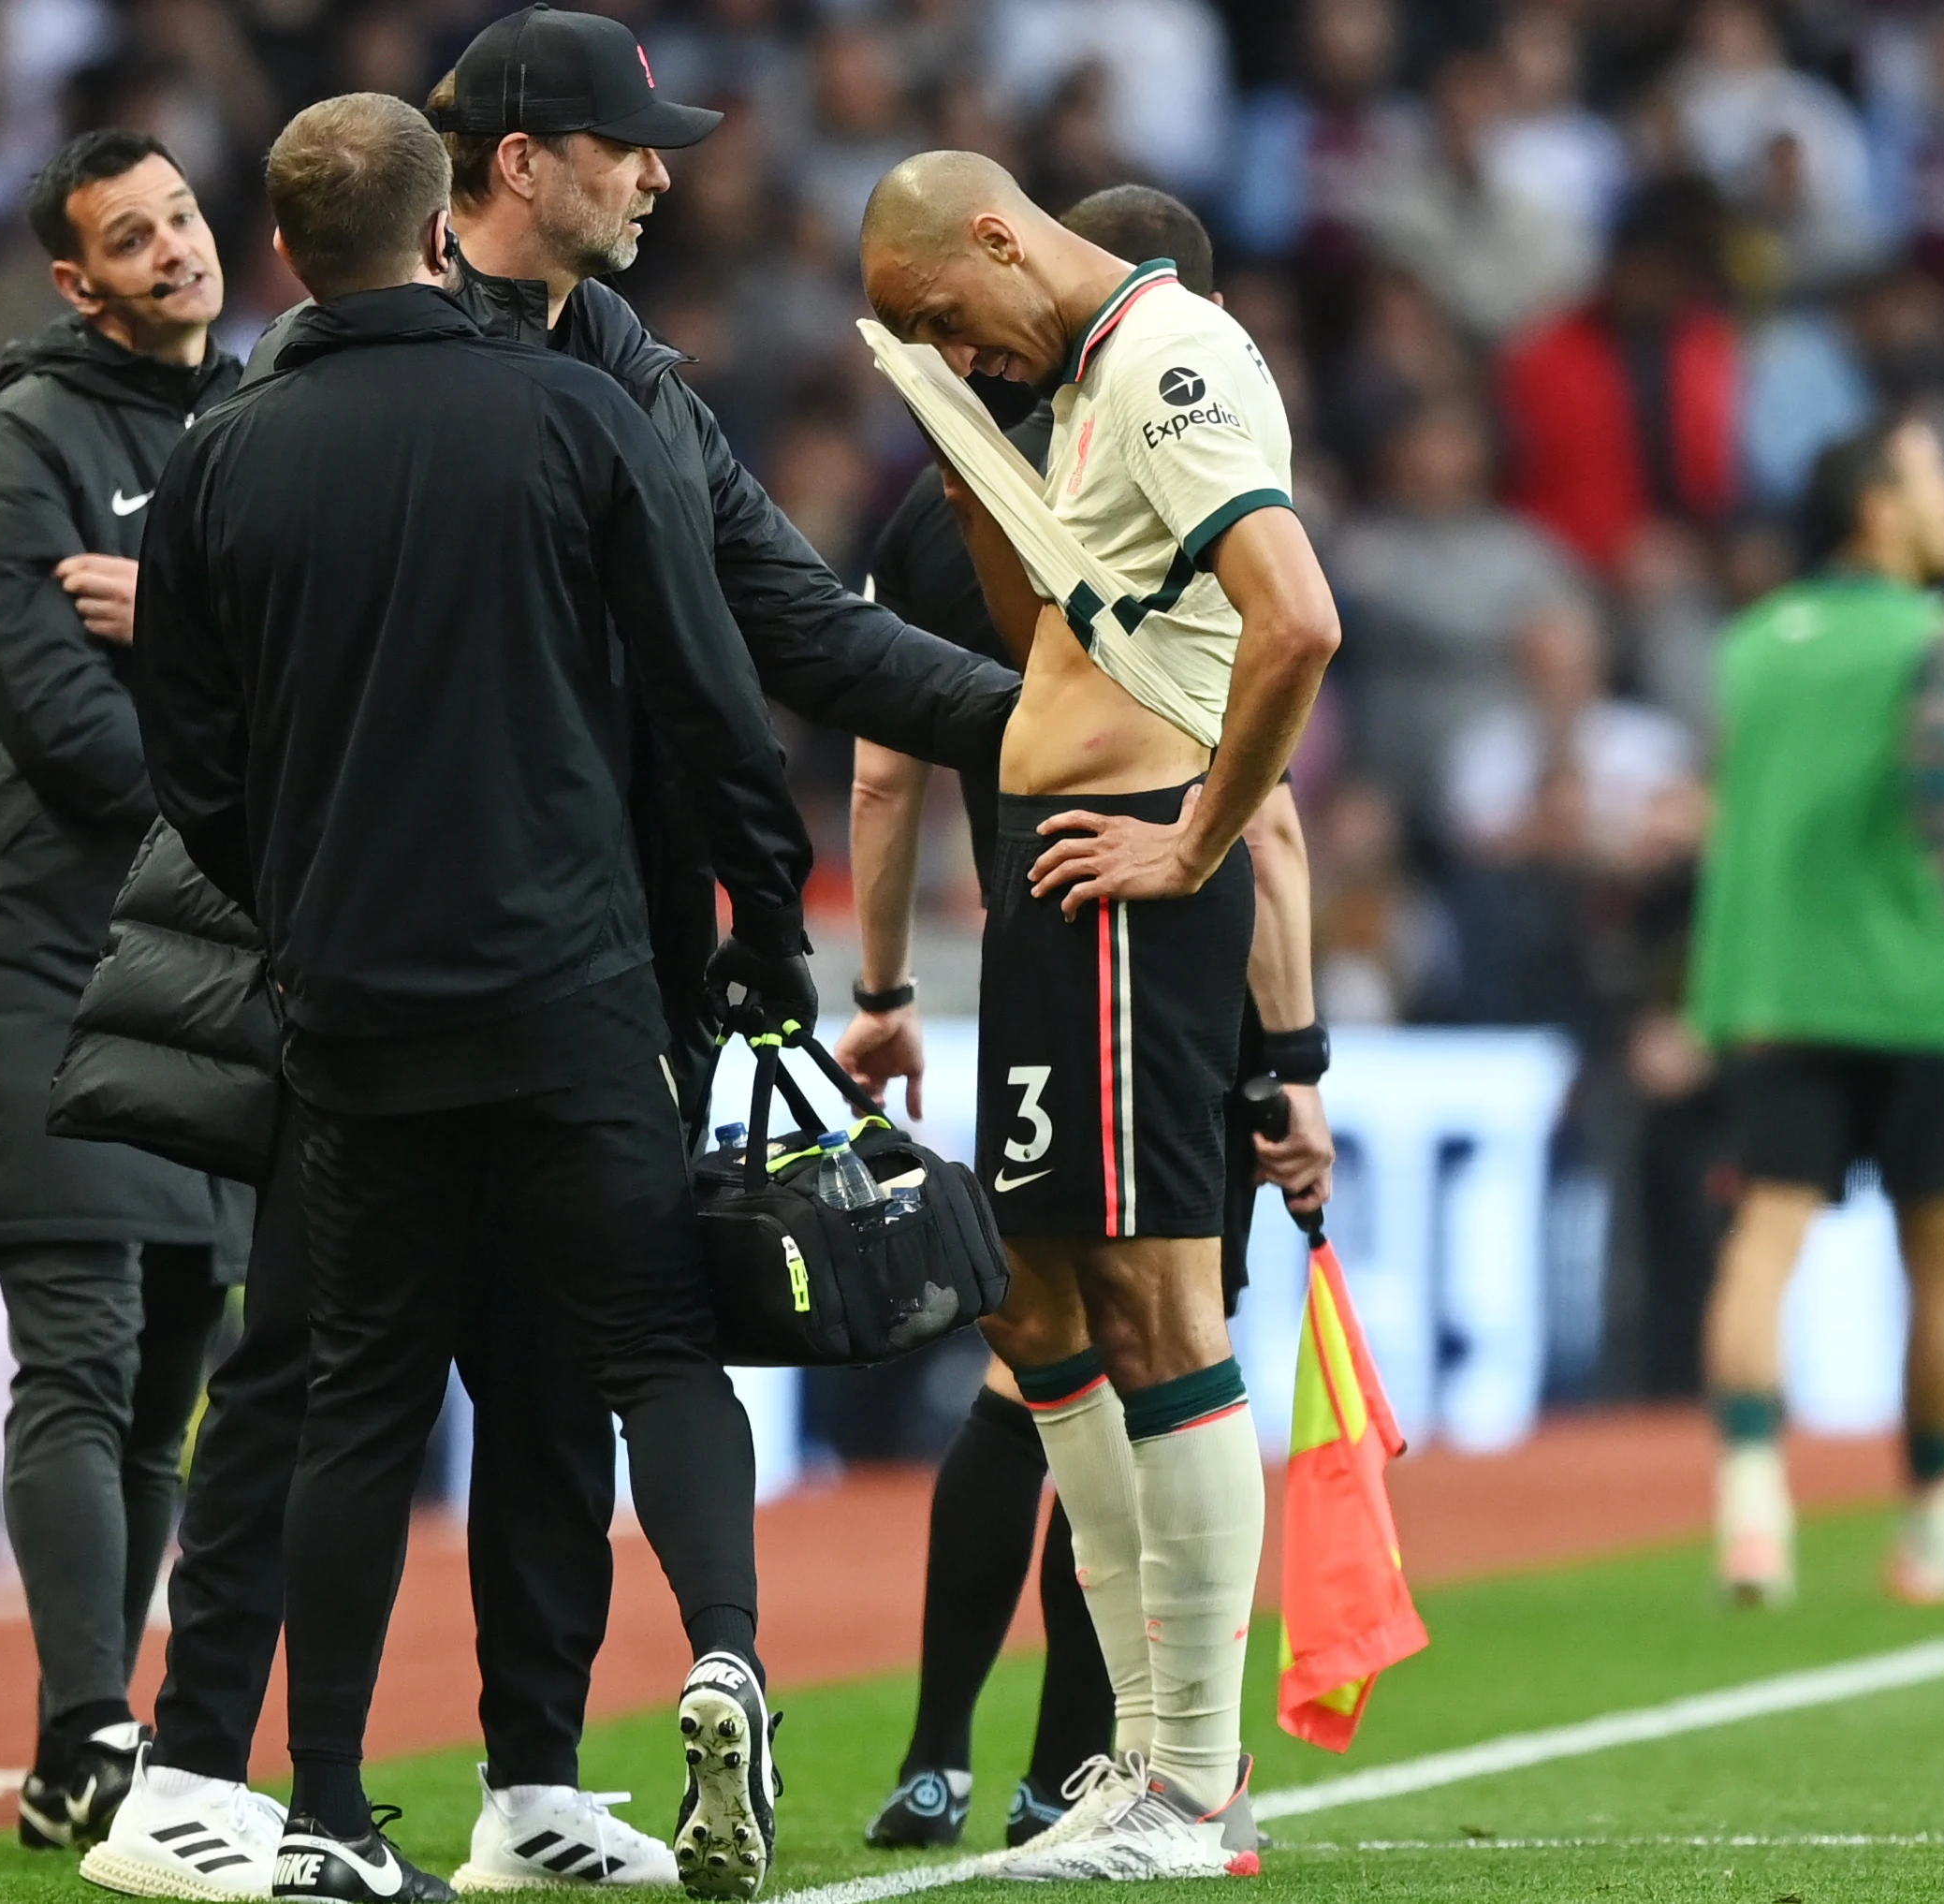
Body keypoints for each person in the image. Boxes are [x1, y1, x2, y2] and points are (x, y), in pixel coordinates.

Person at [91, 12, 1017, 1897]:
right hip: (561, 980)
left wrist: (1037, 714)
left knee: (452, 1384)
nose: (661, 172)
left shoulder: (277, 435)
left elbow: (186, 750)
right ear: (497, 174)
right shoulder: (591, 414)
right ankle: (197, 1773)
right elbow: (719, 693)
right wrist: (760, 927)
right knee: (425, 1366)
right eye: (627, 144)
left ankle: (492, 1786)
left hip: (363, 983)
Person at [859, 151, 1343, 1881]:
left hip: (1136, 892)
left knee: (1158, 1309)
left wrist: (1193, 835)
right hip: (1060, 890)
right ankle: (1138, 1756)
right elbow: (1050, 645)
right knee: (1045, 1306)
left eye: (944, 316)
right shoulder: (1070, 392)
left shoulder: (1169, 356)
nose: (954, 347)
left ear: (996, 239)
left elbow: (1299, 619)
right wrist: (975, 458)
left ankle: (1197, 1786)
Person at [0, 125, 252, 1851]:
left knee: (173, 1361)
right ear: (76, 281)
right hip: (50, 954)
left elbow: (339, 655)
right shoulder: (15, 454)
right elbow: (70, 739)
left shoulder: (260, 417)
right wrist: (261, 731)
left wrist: (192, 618)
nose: (177, 251)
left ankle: (99, 1734)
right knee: (84, 1341)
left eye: (184, 217)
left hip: (217, 960)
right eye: (134, 238)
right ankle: (84, 1719)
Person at [1687, 415, 1944, 1609]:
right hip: (1913, 987)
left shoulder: (1748, 645)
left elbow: (1748, 816)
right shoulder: (1940, 635)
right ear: (1879, 509)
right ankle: (1936, 1526)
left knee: (1763, 1243)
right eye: (1940, 475)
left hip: (1776, 989)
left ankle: (1753, 1516)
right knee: (1939, 1265)